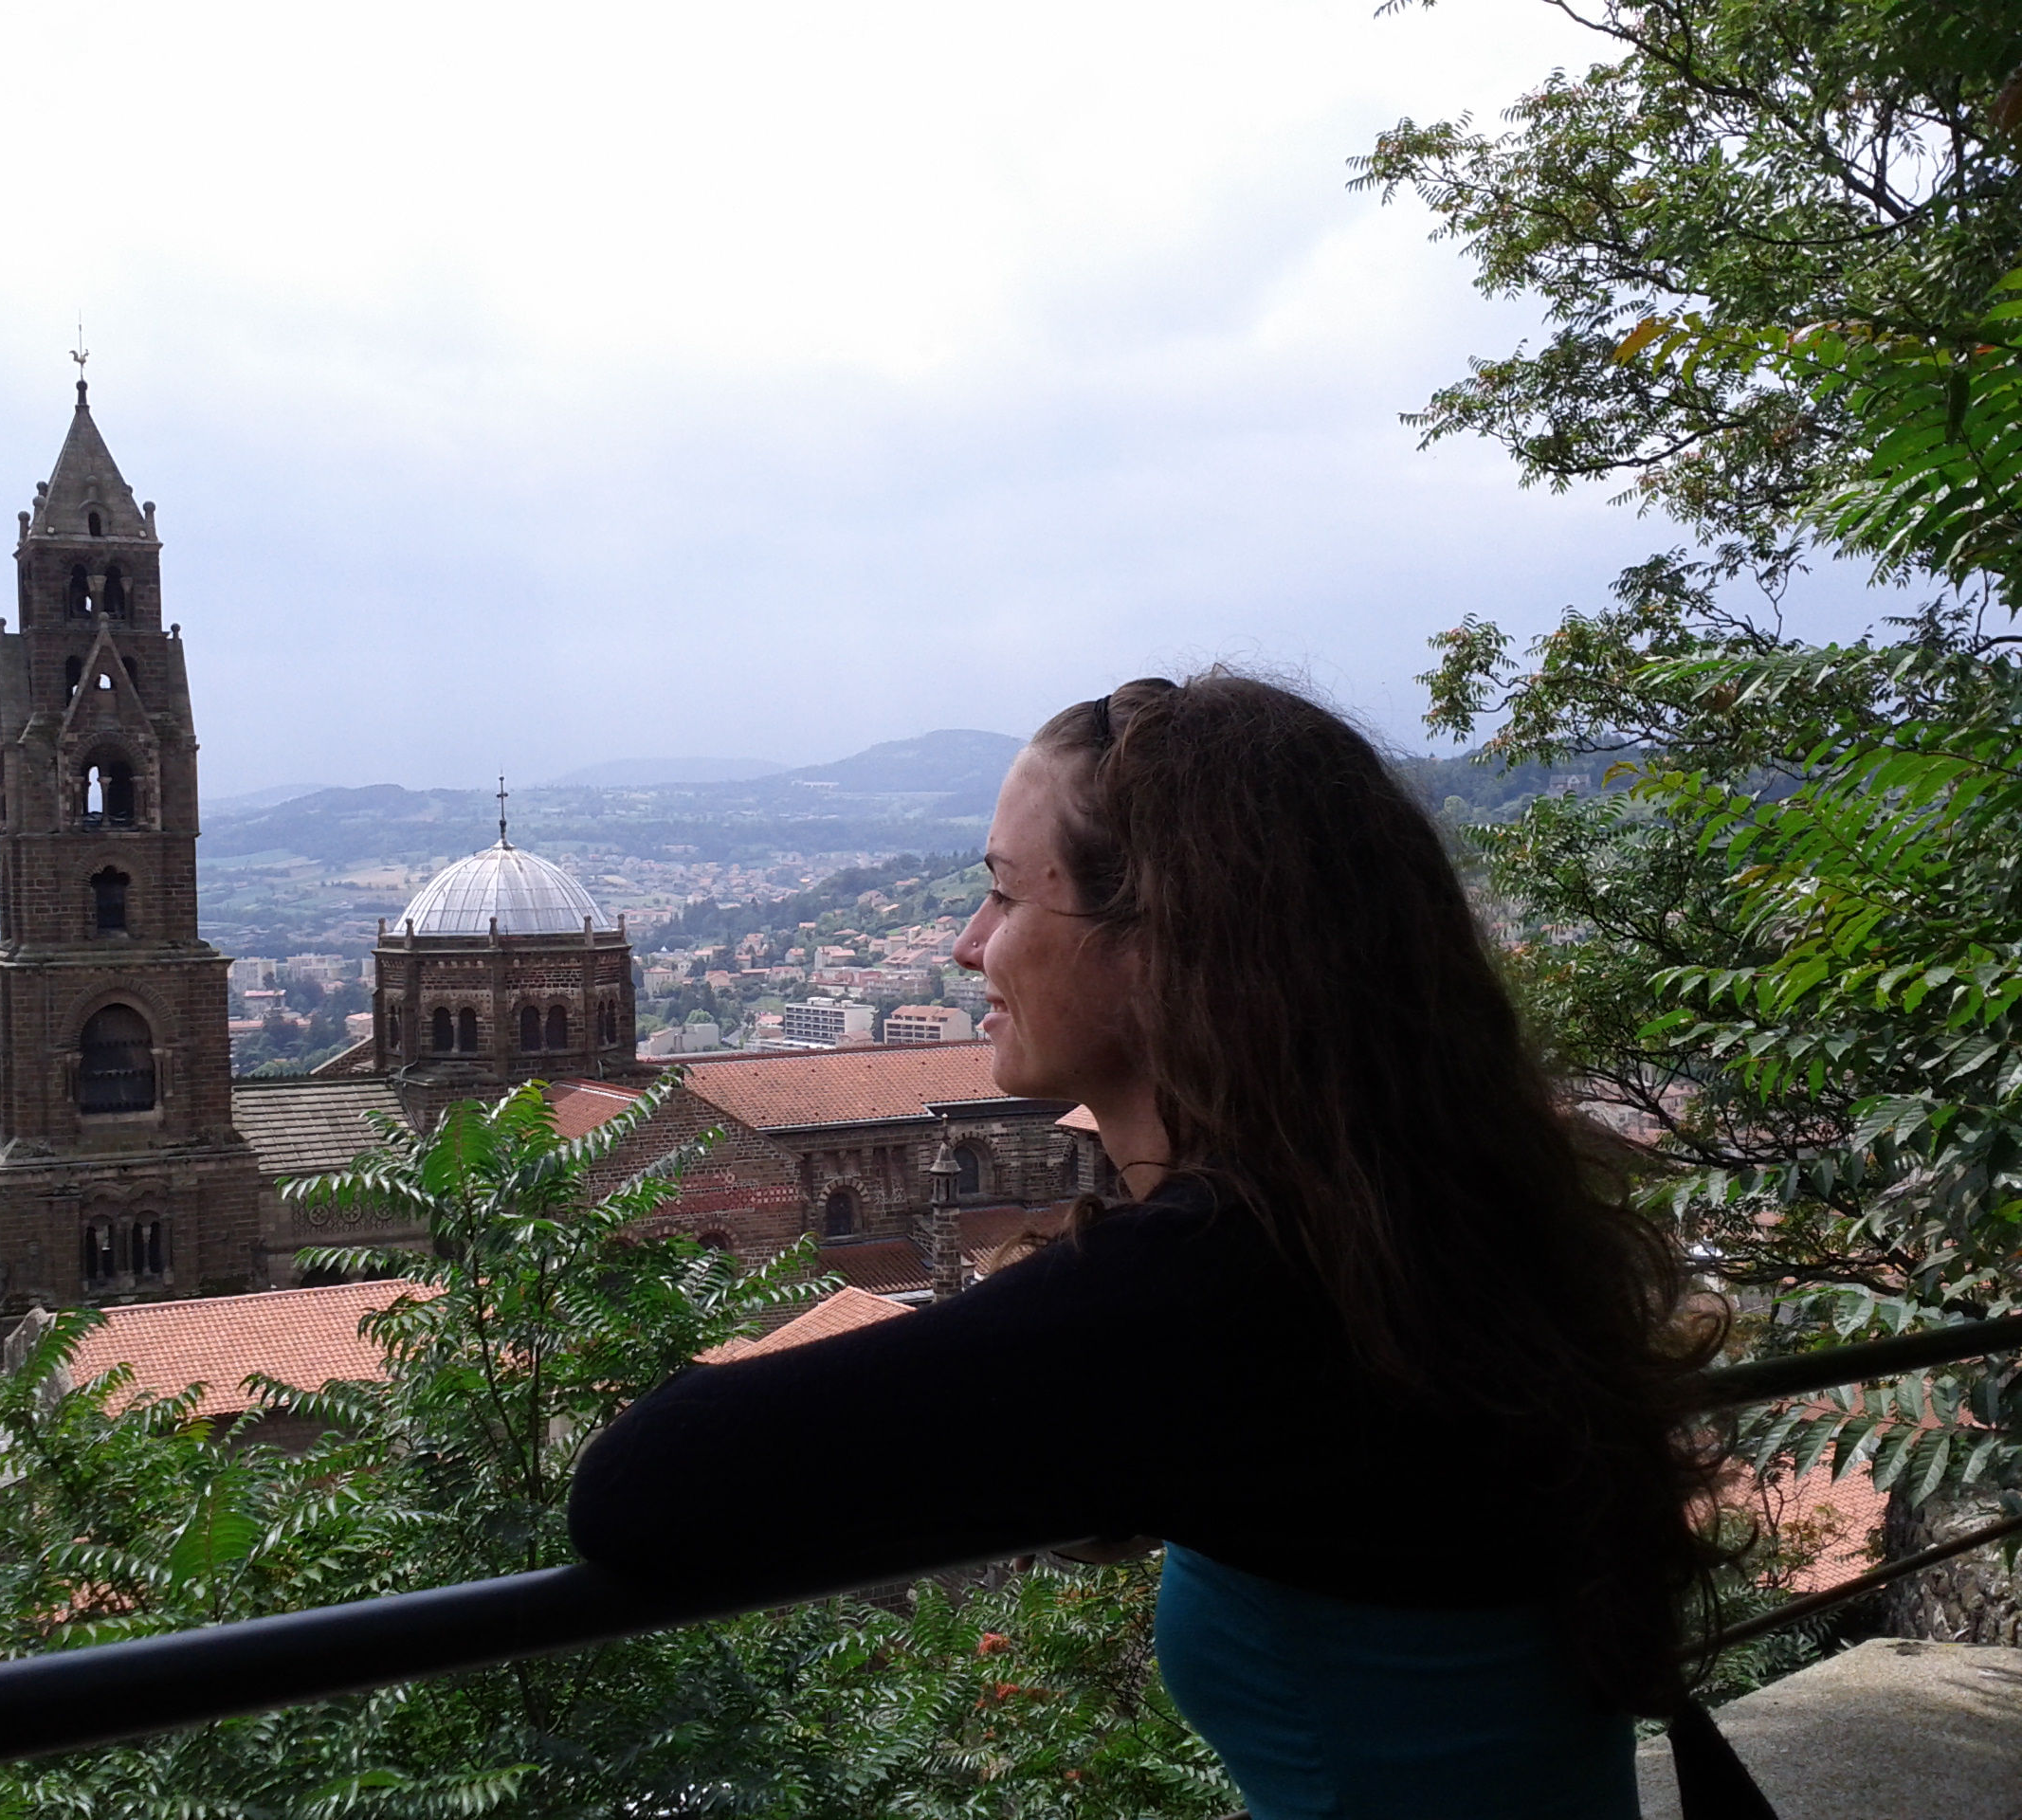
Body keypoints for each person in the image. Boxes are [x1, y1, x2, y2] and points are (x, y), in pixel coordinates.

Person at [568, 672, 1721, 1817]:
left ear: (1161, 947)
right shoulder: (1433, 1218)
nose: (968, 945)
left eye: (1005, 896)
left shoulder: (1209, 1288)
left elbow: (640, 1486)